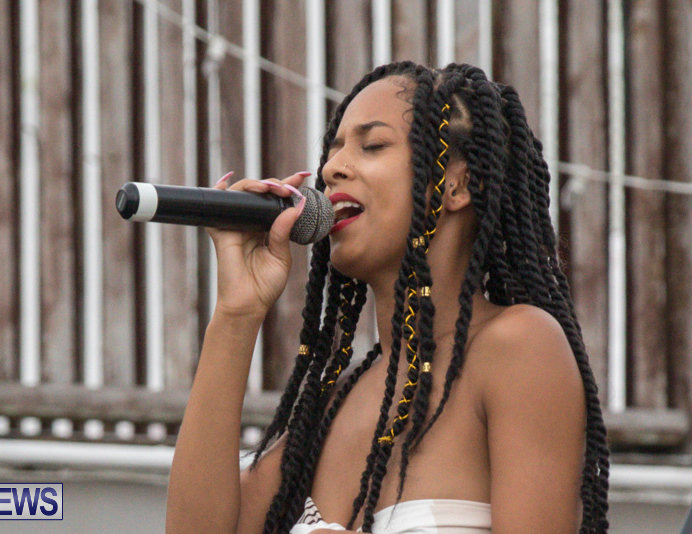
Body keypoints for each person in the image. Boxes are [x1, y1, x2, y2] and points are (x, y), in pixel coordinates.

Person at [165, 62, 610, 534]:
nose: (332, 168)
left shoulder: (520, 346)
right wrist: (236, 314)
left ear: (457, 184)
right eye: (334, 149)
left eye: (372, 145)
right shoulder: (335, 404)